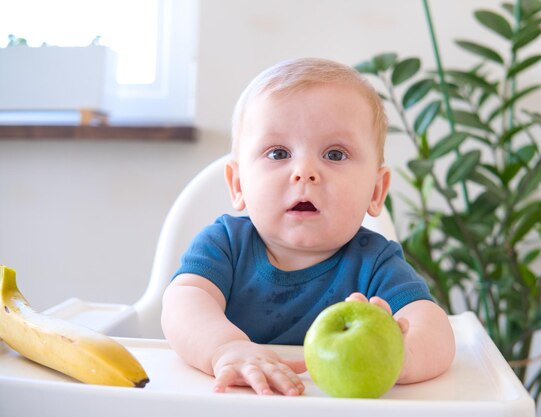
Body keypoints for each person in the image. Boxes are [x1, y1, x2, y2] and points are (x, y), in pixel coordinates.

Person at [161, 57, 455, 397]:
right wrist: (224, 348)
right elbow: (183, 303)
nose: (304, 171)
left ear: (376, 191)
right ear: (238, 184)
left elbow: (434, 328)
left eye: (334, 154)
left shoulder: (375, 263)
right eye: (278, 153)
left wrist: (402, 354)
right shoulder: (224, 245)